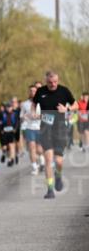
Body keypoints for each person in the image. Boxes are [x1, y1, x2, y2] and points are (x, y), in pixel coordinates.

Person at [34, 71, 77, 199]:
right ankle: (50, 189)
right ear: (46, 81)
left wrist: (67, 109)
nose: (53, 84)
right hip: (45, 129)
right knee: (48, 159)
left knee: (58, 161)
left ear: (58, 80)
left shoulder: (64, 91)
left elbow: (76, 105)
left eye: (55, 82)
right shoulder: (40, 91)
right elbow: (33, 104)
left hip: (60, 129)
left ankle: (58, 175)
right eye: (50, 82)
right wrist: (34, 112)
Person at [20, 84, 42, 173]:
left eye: (34, 91)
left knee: (39, 150)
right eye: (31, 91)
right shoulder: (24, 104)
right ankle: (35, 167)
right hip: (29, 128)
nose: (32, 92)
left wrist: (38, 116)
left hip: (40, 128)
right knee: (31, 148)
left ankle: (41, 159)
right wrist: (25, 117)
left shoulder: (42, 102)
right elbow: (21, 116)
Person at [0, 100, 20, 167]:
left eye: (10, 107)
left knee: (11, 145)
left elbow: (17, 123)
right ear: (5, 108)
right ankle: (4, 153)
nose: (8, 108)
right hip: (4, 132)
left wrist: (15, 129)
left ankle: (11, 160)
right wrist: (1, 130)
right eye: (7, 107)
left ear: (12, 107)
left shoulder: (15, 114)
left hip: (12, 132)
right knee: (5, 147)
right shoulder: (2, 114)